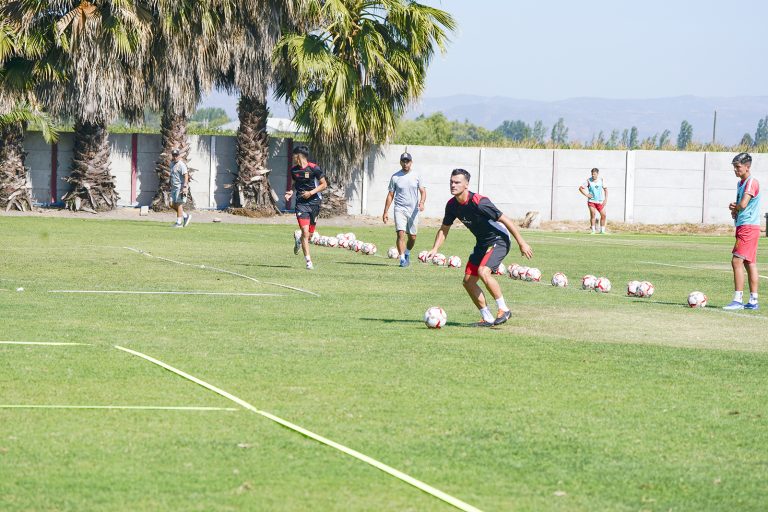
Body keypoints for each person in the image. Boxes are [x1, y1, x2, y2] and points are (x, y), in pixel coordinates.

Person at [427, 169, 533, 327]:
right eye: (451, 181)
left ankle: (504, 309)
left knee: (484, 271)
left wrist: (522, 243)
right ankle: (488, 318)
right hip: (482, 243)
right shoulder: (452, 205)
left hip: (499, 239)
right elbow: (444, 228)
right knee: (468, 282)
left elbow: (505, 220)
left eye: (457, 182)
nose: (453, 185)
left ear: (466, 184)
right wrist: (435, 248)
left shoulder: (479, 201)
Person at [724, 152, 761, 310]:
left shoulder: (751, 182)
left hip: (748, 227)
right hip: (745, 226)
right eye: (734, 167)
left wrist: (736, 207)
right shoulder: (741, 183)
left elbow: (744, 204)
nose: (735, 170)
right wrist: (736, 210)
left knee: (736, 261)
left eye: (738, 167)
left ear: (747, 166)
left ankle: (738, 300)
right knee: (749, 262)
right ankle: (753, 301)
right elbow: (742, 205)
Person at [285, 145, 327, 270]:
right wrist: (291, 192)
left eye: (294, 155)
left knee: (310, 234)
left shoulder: (314, 168)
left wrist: (311, 193)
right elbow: (295, 183)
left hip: (314, 203)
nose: (292, 157)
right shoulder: (294, 170)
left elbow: (324, 184)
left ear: (298, 156)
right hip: (301, 204)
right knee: (305, 231)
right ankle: (308, 261)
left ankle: (299, 239)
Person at [382, 152, 426, 267]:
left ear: (411, 162)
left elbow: (423, 191)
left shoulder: (417, 175)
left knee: (412, 237)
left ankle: (407, 253)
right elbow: (390, 195)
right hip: (399, 208)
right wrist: (385, 211)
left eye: (408, 161)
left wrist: (421, 203)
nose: (405, 163)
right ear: (401, 162)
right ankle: (402, 259)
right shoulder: (395, 177)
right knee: (400, 234)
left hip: (413, 210)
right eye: (403, 161)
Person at [578, 167, 607, 234]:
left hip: (600, 201)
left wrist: (605, 199)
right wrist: (586, 194)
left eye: (595, 174)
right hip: (591, 201)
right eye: (592, 174)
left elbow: (606, 189)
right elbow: (581, 188)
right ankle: (593, 230)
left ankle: (602, 230)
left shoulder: (601, 180)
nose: (593, 175)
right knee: (593, 214)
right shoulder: (588, 180)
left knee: (604, 215)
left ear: (597, 174)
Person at [170, 149, 191, 228]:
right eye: (173, 155)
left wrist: (185, 187)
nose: (175, 157)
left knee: (179, 204)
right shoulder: (171, 164)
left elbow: (186, 175)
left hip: (180, 187)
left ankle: (179, 223)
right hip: (174, 187)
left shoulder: (181, 164)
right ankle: (185, 216)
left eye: (176, 155)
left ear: (179, 155)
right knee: (171, 204)